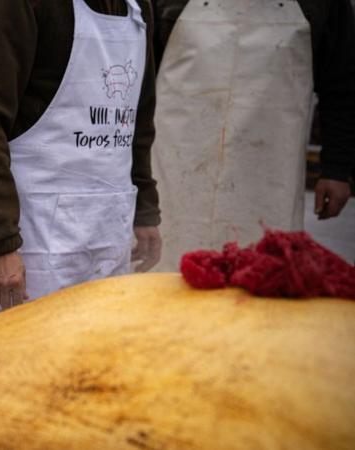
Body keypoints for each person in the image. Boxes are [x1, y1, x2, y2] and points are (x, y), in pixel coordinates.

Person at [0, 0, 163, 317]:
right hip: (30, 244)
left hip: (109, 233)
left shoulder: (139, 6)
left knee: (96, 359)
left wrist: (145, 208)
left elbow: (138, 119)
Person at [150, 0, 355, 270]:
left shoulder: (321, 5)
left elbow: (342, 82)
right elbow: (138, 76)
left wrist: (337, 169)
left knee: (260, 278)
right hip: (173, 167)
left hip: (269, 175)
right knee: (166, 279)